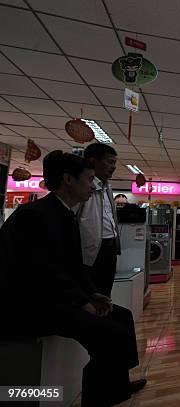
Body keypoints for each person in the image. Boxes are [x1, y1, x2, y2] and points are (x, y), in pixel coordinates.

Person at [0, 151, 146, 407]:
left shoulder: (63, 213)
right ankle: (98, 399)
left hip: (54, 297)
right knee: (109, 335)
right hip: (30, 306)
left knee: (122, 317)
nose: (92, 186)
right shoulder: (35, 216)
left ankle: (119, 385)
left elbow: (72, 267)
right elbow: (44, 273)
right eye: (89, 179)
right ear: (68, 180)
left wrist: (92, 293)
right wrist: (81, 302)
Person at [76, 143, 121, 297]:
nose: (113, 166)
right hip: (89, 253)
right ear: (93, 161)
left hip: (109, 249)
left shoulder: (107, 186)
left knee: (105, 293)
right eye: (109, 162)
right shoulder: (82, 186)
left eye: (114, 163)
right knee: (90, 295)